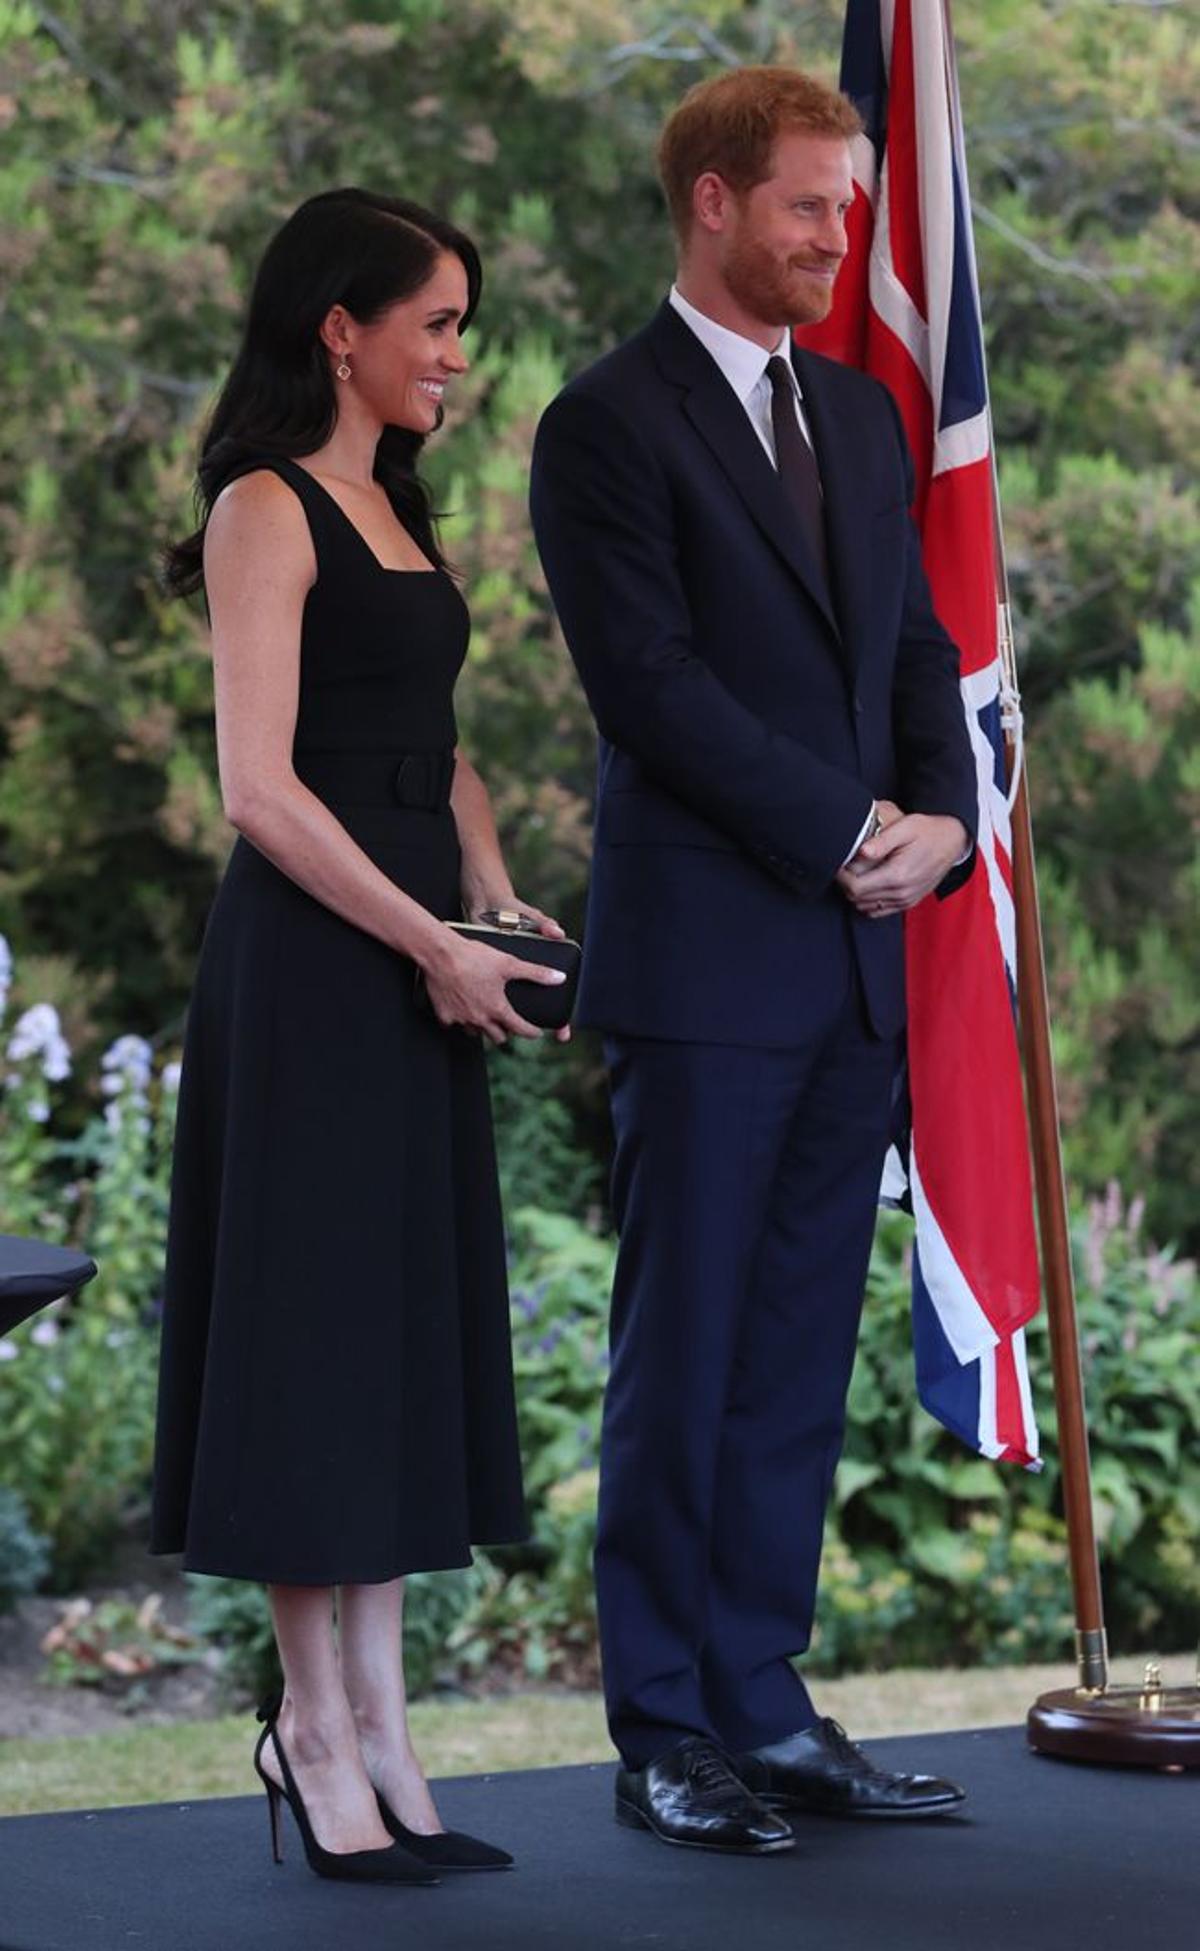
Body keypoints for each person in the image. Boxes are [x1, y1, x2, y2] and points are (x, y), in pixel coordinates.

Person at [530, 67, 977, 1854]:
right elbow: (650, 690)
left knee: (794, 1354)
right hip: (710, 965)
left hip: (857, 966)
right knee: (686, 1346)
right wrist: (848, 833)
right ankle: (662, 1729)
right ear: (712, 201)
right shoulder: (604, 424)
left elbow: (920, 656)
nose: (840, 235)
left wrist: (937, 826)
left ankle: (761, 1703)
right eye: (810, 203)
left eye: (852, 203)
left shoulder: (864, 425)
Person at [151, 188, 570, 1885]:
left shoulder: (391, 509)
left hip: (417, 958)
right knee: (313, 1349)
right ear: (344, 326)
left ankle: (388, 1730)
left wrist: (489, 888)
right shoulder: (265, 505)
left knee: (390, 1342)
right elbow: (260, 789)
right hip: (321, 972)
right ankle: (310, 1731)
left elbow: (430, 745)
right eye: (438, 322)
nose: (455, 356)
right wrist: (424, 945)